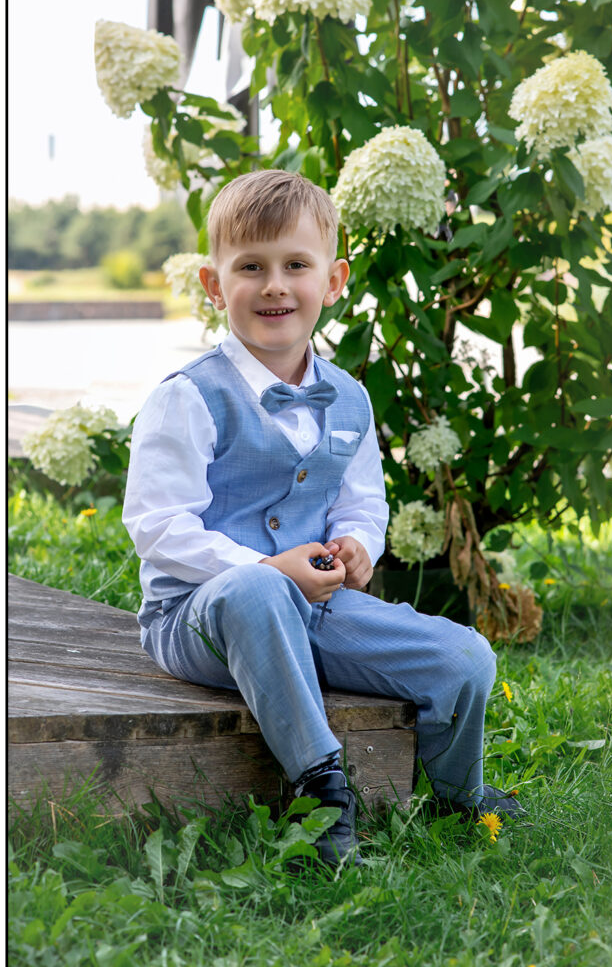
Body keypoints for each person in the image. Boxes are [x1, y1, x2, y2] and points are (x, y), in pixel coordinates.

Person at [122, 169, 524, 868]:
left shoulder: (349, 397)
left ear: (333, 280)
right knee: (257, 591)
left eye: (296, 266)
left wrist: (359, 543)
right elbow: (157, 526)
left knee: (465, 657)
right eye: (251, 267)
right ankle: (322, 792)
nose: (274, 286)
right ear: (214, 285)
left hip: (316, 608)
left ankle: (458, 792)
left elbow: (361, 499)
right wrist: (264, 566)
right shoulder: (189, 397)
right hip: (198, 616)